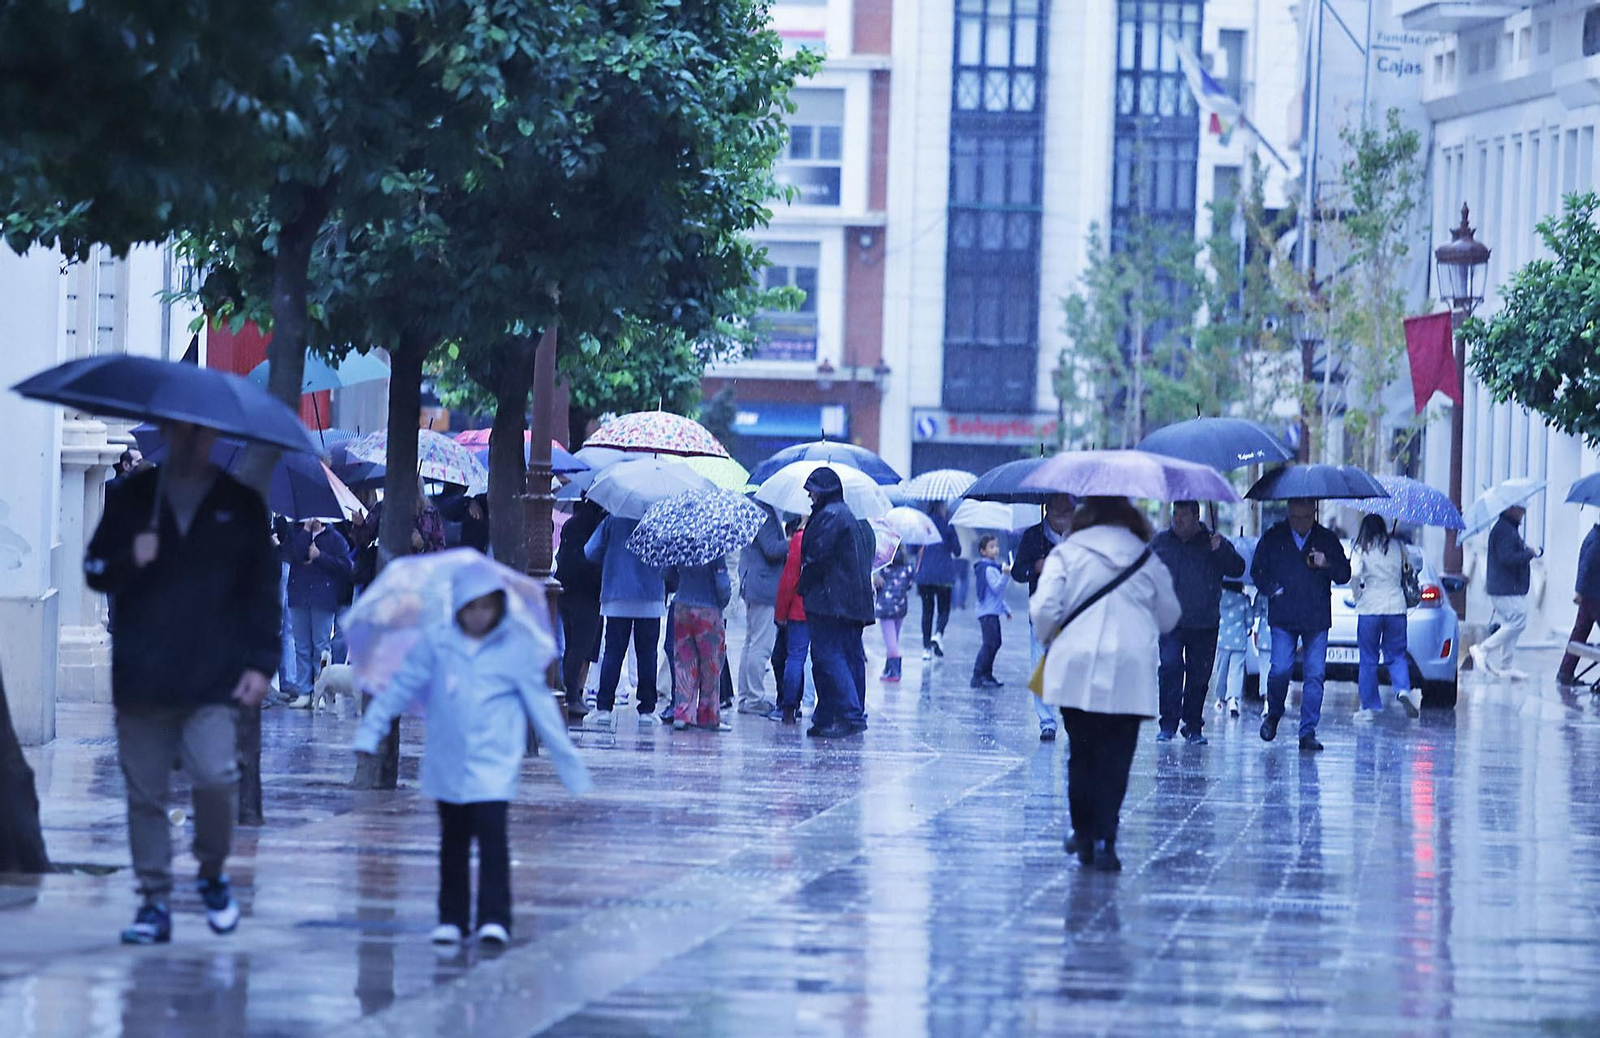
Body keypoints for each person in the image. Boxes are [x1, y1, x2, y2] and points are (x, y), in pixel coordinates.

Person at [85, 420, 279, 945]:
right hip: (143, 675)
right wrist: (132, 558)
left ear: (214, 437)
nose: (192, 441)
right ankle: (154, 900)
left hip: (213, 676)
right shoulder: (132, 498)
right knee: (144, 792)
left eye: (201, 433)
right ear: (167, 432)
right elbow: (95, 568)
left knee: (216, 776)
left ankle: (212, 872)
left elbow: (262, 589)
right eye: (181, 431)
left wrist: (261, 663)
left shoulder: (238, 504)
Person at [352, 559, 590, 946]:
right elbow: (399, 687)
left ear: (497, 607)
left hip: (494, 763)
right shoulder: (437, 644)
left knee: (493, 838)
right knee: (454, 841)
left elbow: (541, 706)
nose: (479, 615)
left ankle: (495, 917)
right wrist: (371, 728)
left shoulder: (513, 650)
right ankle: (453, 917)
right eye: (471, 606)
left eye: (486, 606)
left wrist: (567, 759)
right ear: (459, 606)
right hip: (448, 762)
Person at [1031, 496, 1180, 873]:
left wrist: (1050, 634)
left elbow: (1044, 610)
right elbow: (1169, 616)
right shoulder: (1147, 558)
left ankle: (1083, 832)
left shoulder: (1067, 554)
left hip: (1077, 665)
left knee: (1081, 755)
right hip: (1129, 670)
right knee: (1117, 758)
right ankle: (1106, 840)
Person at [1251, 498, 1351, 752]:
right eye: (1295, 518)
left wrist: (1326, 563)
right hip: (1284, 615)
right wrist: (1272, 589)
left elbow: (1344, 574)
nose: (1300, 524)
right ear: (1288, 514)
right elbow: (1257, 571)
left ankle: (1307, 731)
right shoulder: (1274, 537)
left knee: (1315, 675)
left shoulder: (1325, 539)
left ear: (1313, 513)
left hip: (1315, 616)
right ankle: (1273, 712)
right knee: (1280, 669)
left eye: (1305, 518)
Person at [1150, 501, 1245, 745]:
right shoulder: (1161, 542)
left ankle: (1193, 724)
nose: (1177, 519)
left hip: (1204, 621)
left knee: (1198, 675)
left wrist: (1221, 549)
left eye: (1183, 514)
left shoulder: (1212, 541)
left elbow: (1238, 568)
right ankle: (1168, 723)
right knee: (1170, 667)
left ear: (1196, 516)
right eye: (1175, 513)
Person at [796, 467, 873, 738]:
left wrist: (803, 584)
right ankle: (828, 715)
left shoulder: (831, 515)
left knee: (829, 656)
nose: (810, 495)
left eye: (813, 489)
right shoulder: (846, 516)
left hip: (830, 602)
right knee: (842, 658)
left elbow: (818, 556)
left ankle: (849, 715)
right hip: (846, 603)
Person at [584, 510, 666, 731]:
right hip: (650, 596)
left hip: (617, 594)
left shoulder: (613, 518)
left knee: (613, 653)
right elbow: (669, 559)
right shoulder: (660, 518)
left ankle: (604, 708)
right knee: (647, 654)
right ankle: (647, 710)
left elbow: (590, 551)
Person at [1012, 494, 1075, 741]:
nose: (1063, 516)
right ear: (1047, 509)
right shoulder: (1033, 537)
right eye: (1059, 511)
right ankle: (1047, 721)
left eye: (1068, 511)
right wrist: (1035, 568)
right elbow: (1018, 571)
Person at [1350, 514, 1419, 720]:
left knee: (1368, 658)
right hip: (1396, 607)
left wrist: (1357, 595)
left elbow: (1354, 574)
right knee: (1396, 654)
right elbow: (1413, 567)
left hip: (1370, 607)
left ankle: (1370, 706)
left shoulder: (1361, 548)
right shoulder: (1398, 546)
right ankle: (1402, 689)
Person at [281, 518, 353, 709]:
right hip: (299, 595)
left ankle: (320, 689)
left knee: (321, 646)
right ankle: (304, 691)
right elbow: (293, 554)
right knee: (301, 646)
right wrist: (305, 531)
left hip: (323, 597)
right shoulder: (295, 532)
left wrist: (320, 556)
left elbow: (345, 566)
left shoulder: (335, 538)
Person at [1472, 505, 1542, 680]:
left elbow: (1508, 554)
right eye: (1521, 509)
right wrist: (1528, 554)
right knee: (1519, 618)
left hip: (1506, 586)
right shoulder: (1504, 530)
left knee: (1511, 622)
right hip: (1504, 587)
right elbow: (1507, 558)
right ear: (1511, 509)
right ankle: (1482, 649)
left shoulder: (1507, 529)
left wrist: (1525, 551)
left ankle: (1506, 665)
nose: (1524, 512)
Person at [666, 558, 733, 731]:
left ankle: (682, 713)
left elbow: (667, 574)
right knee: (710, 665)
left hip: (681, 607)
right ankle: (708, 716)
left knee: (683, 662)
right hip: (708, 610)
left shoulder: (679, 545)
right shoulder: (714, 549)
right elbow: (723, 586)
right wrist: (722, 603)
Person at [555, 499, 606, 723]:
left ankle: (570, 692)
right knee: (581, 647)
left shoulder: (572, 524)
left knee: (571, 645)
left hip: (565, 591)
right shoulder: (597, 525)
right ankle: (570, 695)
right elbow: (594, 557)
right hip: (587, 593)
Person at [736, 503, 786, 716]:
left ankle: (746, 696)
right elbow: (772, 549)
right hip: (763, 586)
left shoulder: (755, 509)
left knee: (751, 643)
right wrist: (793, 541)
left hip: (754, 583)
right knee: (761, 645)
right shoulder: (764, 511)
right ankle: (754, 698)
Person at [1212, 554, 1263, 718]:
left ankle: (1220, 698)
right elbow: (1249, 621)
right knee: (1236, 670)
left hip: (1221, 640)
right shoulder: (1243, 600)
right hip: (1239, 641)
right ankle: (1233, 699)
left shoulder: (1218, 598)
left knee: (1221, 669)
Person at [771, 520, 810, 724]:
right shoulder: (831, 534)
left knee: (794, 657)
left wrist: (780, 612)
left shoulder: (800, 539)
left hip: (799, 608)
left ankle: (789, 707)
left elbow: (789, 579)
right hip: (823, 607)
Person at [914, 501, 963, 660]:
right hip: (944, 575)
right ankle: (938, 634)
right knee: (944, 610)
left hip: (926, 575)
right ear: (941, 506)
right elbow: (957, 551)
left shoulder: (923, 524)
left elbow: (913, 549)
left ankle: (926, 648)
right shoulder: (948, 525)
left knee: (927, 611)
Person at [1557, 521, 1600, 687]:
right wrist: (1579, 591)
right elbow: (1585, 567)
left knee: (1579, 633)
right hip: (1594, 596)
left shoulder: (1593, 535)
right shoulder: (1596, 541)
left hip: (1590, 597)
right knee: (1579, 633)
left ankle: (1565, 672)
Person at [970, 534, 1012, 689]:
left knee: (995, 642)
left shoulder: (993, 567)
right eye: (991, 547)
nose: (995, 549)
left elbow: (997, 596)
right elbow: (996, 588)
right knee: (989, 644)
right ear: (983, 551)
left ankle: (987, 674)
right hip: (987, 613)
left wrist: (1006, 610)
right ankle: (978, 674)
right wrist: (1005, 576)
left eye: (996, 546)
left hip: (992, 611)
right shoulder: (988, 569)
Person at [873, 547, 913, 682]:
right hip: (900, 608)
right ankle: (889, 668)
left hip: (885, 608)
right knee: (894, 639)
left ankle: (895, 671)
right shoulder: (908, 568)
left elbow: (876, 585)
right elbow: (909, 585)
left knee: (891, 643)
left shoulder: (883, 568)